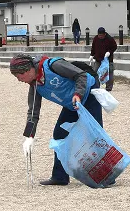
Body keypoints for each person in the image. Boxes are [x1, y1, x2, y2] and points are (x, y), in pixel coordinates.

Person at [9, 53, 100, 186]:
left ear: (27, 70)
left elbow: (81, 75)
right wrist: (29, 136)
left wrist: (78, 94)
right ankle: (60, 177)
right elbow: (33, 112)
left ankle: (106, 176)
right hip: (72, 103)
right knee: (60, 134)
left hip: (88, 93)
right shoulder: (35, 85)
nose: (19, 80)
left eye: (19, 76)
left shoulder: (53, 65)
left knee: (95, 135)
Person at [90, 27, 117, 91]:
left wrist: (109, 52)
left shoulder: (110, 39)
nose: (100, 37)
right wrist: (91, 55)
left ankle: (109, 87)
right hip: (98, 58)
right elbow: (93, 47)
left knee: (109, 73)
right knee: (95, 72)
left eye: (101, 35)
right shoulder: (96, 38)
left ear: (104, 34)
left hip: (107, 59)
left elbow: (114, 47)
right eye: (99, 35)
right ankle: (96, 86)